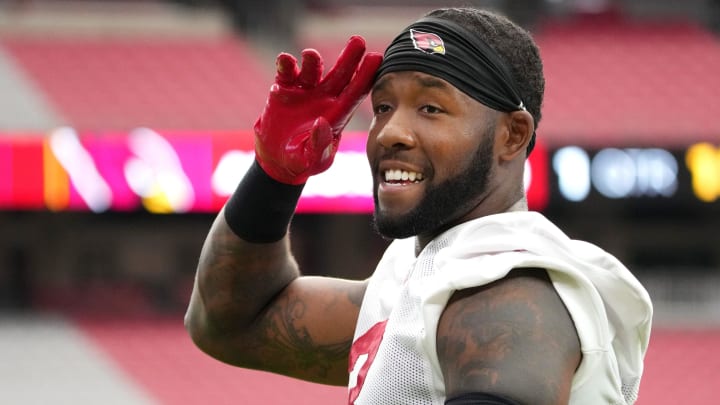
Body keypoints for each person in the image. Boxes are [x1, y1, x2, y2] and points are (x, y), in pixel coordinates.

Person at [185, 7, 653, 405]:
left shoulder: (505, 295)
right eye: (384, 107)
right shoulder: (428, 275)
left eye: (430, 108)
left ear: (512, 135)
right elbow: (231, 323)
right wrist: (273, 177)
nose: (389, 132)